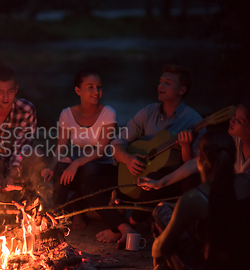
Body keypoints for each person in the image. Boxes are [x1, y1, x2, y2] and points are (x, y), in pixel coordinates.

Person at [86, 65, 203, 247]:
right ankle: (124, 228)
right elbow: (118, 141)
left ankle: (130, 225)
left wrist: (186, 146)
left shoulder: (193, 121)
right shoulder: (148, 112)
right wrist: (127, 159)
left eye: (168, 83)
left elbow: (194, 167)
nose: (161, 86)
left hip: (166, 186)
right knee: (90, 180)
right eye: (160, 82)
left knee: (156, 177)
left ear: (182, 90)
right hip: (136, 178)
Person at [123, 130, 250, 270]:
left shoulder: (194, 198)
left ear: (201, 159)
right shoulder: (245, 183)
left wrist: (157, 245)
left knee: (168, 236)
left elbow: (162, 247)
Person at [41, 70, 117, 229]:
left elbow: (101, 150)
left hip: (101, 168)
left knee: (88, 167)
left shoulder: (108, 113)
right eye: (90, 87)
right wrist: (51, 166)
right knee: (61, 165)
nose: (96, 92)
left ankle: (77, 210)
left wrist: (76, 163)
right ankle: (57, 214)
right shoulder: (67, 114)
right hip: (76, 168)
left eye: (99, 87)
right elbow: (61, 147)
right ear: (78, 90)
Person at [138, 101, 250, 189]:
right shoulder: (234, 140)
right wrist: (159, 183)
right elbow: (195, 163)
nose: (232, 120)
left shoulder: (192, 117)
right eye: (234, 115)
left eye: (239, 121)